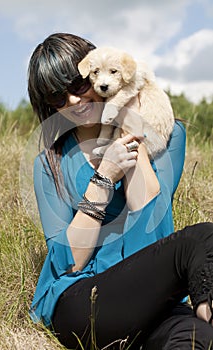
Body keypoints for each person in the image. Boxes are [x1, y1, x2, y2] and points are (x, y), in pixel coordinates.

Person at [27, 32, 213, 349]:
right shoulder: (50, 163)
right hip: (82, 301)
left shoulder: (170, 137)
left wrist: (128, 128)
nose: (72, 100)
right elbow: (69, 262)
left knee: (199, 338)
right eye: (57, 97)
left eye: (76, 84)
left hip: (150, 300)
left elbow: (152, 232)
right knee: (202, 238)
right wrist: (104, 175)